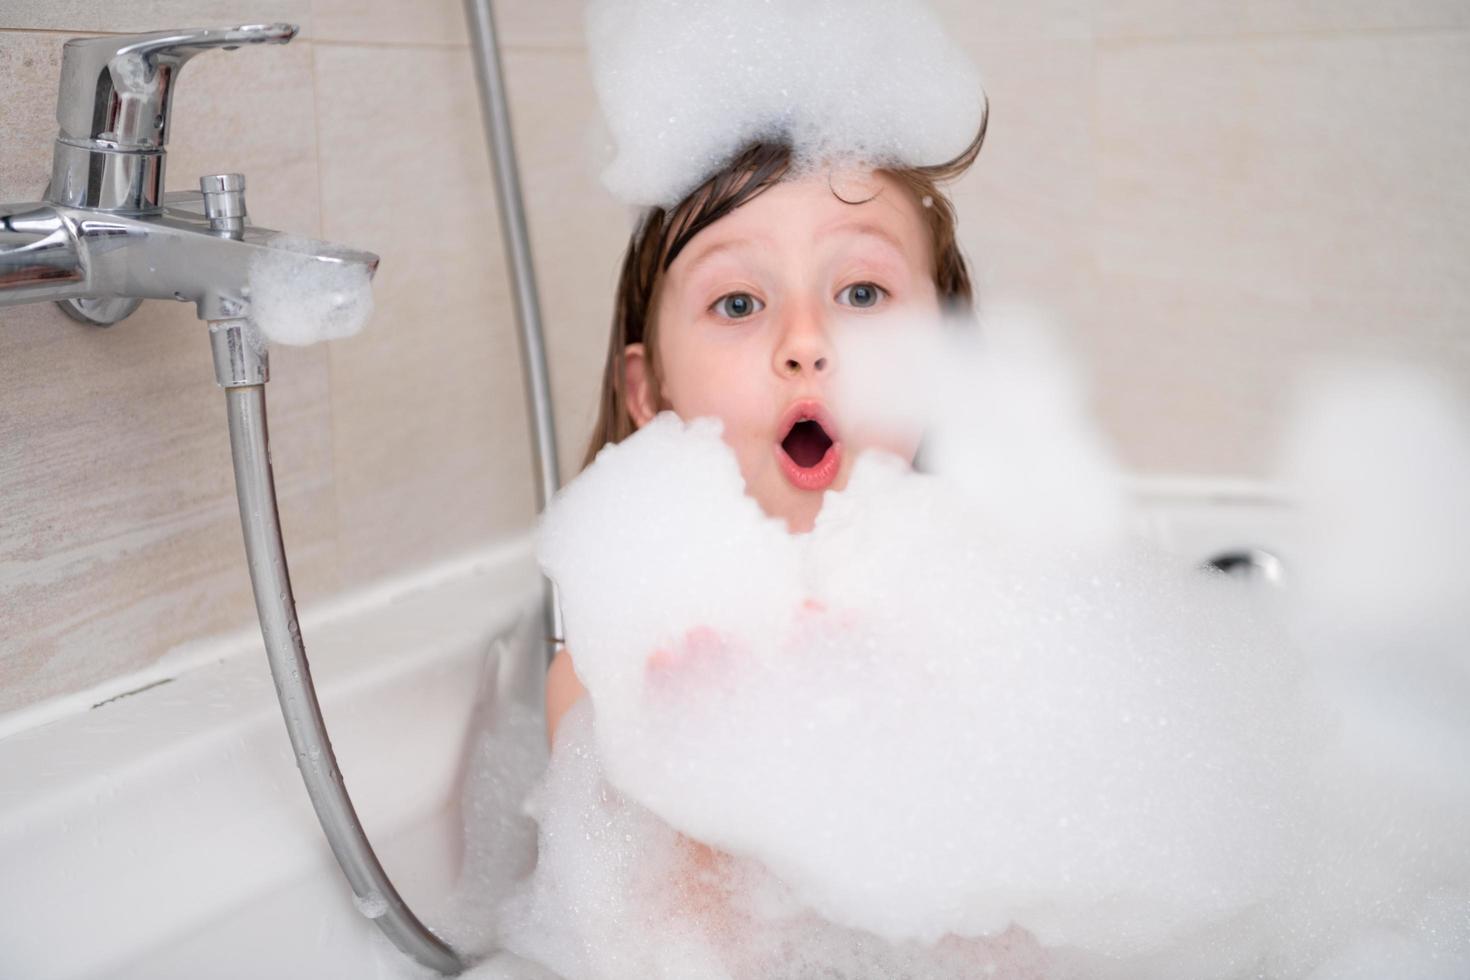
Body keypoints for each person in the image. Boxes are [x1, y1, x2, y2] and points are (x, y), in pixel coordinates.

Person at [545, 126, 986, 745]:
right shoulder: (607, 676)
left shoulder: (1003, 614)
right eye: (738, 304)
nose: (805, 343)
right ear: (648, 392)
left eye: (862, 293)